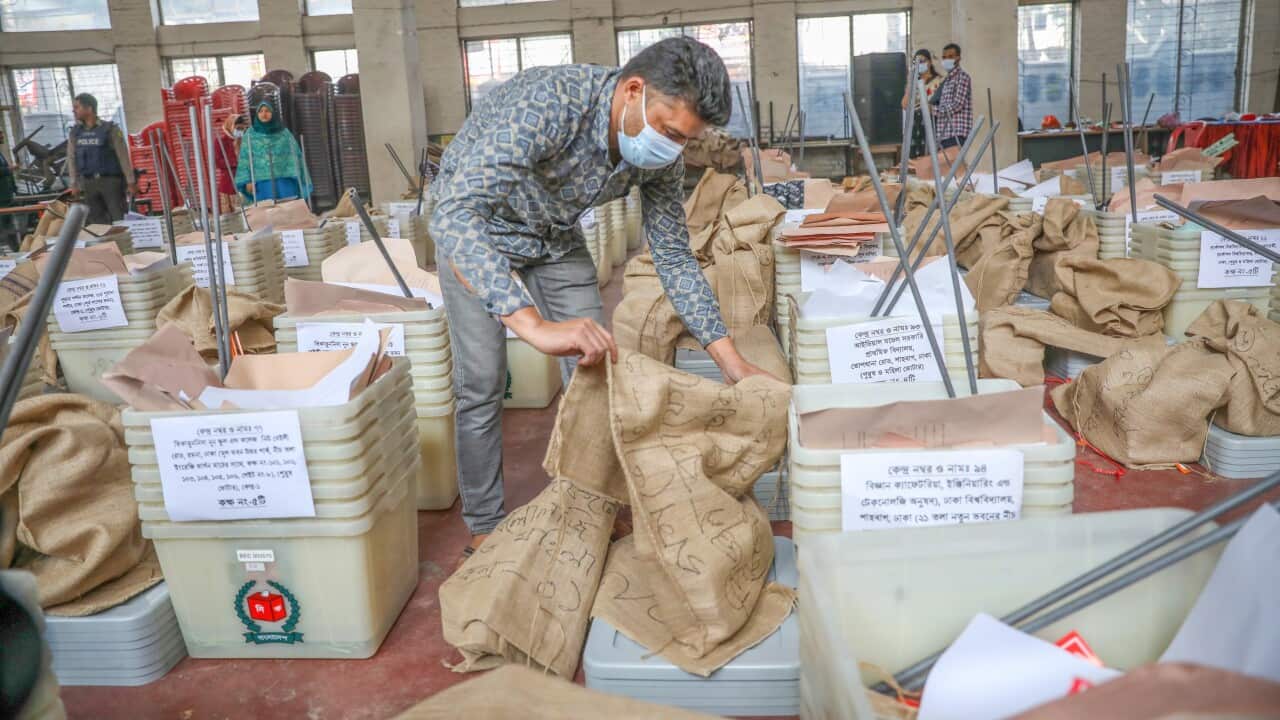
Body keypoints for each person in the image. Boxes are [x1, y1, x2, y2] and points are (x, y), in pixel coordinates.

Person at [429, 37, 774, 556]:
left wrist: (729, 359)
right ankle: (484, 520)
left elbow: (675, 258)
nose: (672, 148)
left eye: (685, 140)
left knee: (596, 370)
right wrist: (531, 324)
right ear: (633, 90)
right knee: (480, 381)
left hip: (553, 234)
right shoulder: (549, 102)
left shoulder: (660, 156)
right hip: (478, 230)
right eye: (669, 131)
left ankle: (590, 501)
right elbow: (454, 214)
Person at [65, 93, 137, 224]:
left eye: (77, 107)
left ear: (89, 108)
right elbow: (71, 158)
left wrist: (131, 182)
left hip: (111, 182)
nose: (74, 111)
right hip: (88, 183)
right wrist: (73, 183)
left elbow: (123, 156)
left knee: (119, 219)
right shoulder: (75, 132)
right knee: (97, 224)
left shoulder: (110, 129)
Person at [234, 96, 310, 203]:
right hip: (262, 184)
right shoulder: (250, 135)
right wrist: (248, 181)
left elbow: (295, 155)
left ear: (273, 113)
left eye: (267, 111)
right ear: (257, 114)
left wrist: (296, 174)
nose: (264, 114)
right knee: (267, 213)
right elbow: (245, 159)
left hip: (285, 181)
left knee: (288, 211)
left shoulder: (284, 133)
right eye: (260, 111)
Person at [930, 43, 974, 150]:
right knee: (946, 166)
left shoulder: (962, 77)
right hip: (944, 133)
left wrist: (934, 110)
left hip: (956, 132)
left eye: (950, 57)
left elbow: (958, 104)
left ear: (958, 58)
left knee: (954, 164)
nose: (946, 60)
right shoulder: (947, 80)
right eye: (944, 57)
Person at [902, 49, 943, 158]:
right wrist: (909, 83)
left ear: (929, 62)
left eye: (922, 61)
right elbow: (905, 105)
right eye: (916, 62)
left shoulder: (939, 81)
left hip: (932, 122)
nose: (920, 64)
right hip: (915, 124)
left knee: (930, 156)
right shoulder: (914, 83)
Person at [215, 114, 248, 214]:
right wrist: (235, 163)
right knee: (230, 217)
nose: (240, 132)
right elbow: (218, 162)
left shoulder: (245, 141)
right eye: (238, 128)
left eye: (243, 129)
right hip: (228, 184)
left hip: (244, 183)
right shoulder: (220, 142)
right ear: (230, 126)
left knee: (248, 214)